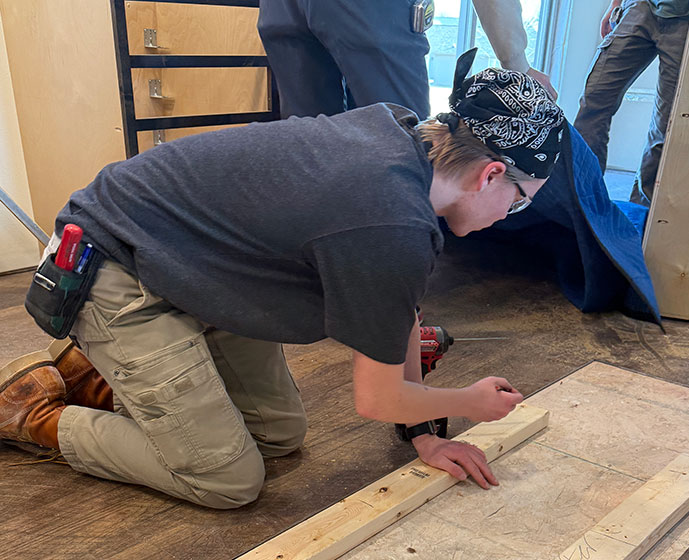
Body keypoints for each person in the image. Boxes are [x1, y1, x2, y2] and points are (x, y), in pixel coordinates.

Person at [0, 50, 565, 508]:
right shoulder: (392, 222)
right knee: (225, 480)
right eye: (518, 202)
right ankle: (33, 413)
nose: (507, 217)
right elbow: (376, 398)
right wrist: (469, 400)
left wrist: (427, 434)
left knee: (277, 436)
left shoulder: (402, 139)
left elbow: (402, 316)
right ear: (491, 174)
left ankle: (106, 377)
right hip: (117, 265)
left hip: (199, 269)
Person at [257, 0, 556, 120]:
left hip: (281, 7)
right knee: (402, 148)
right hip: (368, 10)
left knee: (309, 145)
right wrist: (518, 65)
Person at [574, 0, 689, 205]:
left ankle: (640, 210)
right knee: (594, 99)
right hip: (641, 6)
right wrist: (615, 5)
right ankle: (582, 200)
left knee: (667, 125)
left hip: (688, 17)